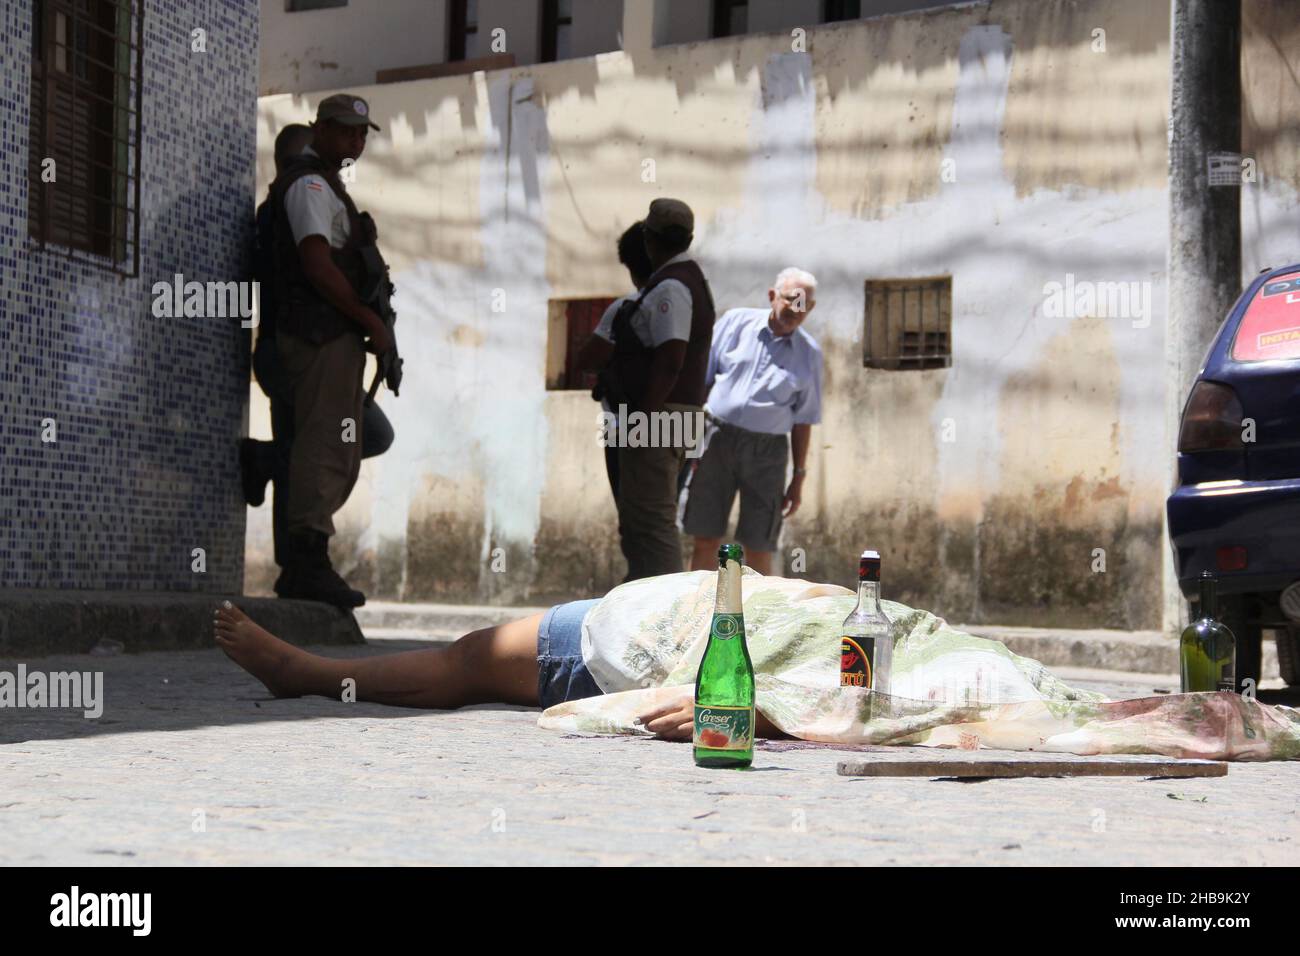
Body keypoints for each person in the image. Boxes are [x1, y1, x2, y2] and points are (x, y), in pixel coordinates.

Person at [239, 123, 395, 597]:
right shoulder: (309, 189)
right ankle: (306, 561)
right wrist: (369, 320)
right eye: (345, 136)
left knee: (330, 441)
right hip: (314, 341)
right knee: (326, 445)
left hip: (309, 342)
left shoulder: (309, 193)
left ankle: (267, 461)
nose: (354, 146)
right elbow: (317, 263)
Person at [591, 199, 716, 581]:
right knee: (643, 524)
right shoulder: (687, 281)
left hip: (658, 415)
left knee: (652, 526)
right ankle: (645, 607)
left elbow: (670, 360)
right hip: (668, 415)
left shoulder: (671, 287)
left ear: (649, 238)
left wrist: (642, 419)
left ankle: (669, 616)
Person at [683, 268, 823, 576]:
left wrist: (798, 476)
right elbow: (701, 382)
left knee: (759, 543)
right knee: (705, 536)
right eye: (791, 300)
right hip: (716, 439)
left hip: (767, 453)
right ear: (773, 296)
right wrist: (691, 443)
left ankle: (759, 620)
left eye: (805, 305)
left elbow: (804, 420)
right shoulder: (735, 322)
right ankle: (697, 614)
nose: (797, 310)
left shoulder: (809, 354)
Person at [577, 221, 655, 502]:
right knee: (663, 516)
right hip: (680, 423)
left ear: (629, 264)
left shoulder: (626, 309)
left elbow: (586, 358)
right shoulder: (691, 308)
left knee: (633, 515)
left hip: (627, 425)